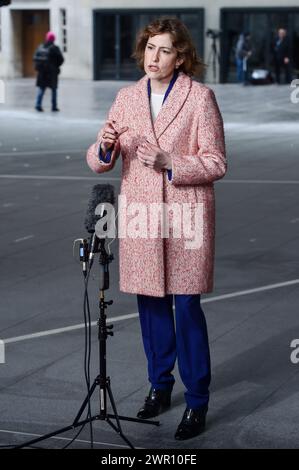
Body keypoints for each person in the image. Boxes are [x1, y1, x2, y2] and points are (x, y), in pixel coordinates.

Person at [86, 17, 227, 441]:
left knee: (185, 308)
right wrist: (106, 145)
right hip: (142, 218)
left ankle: (198, 400)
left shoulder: (200, 98)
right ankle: (160, 386)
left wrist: (172, 163)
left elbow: (217, 162)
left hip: (186, 218)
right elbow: (98, 159)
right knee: (150, 308)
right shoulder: (126, 98)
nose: (154, 57)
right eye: (150, 48)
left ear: (180, 56)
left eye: (164, 50)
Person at [33, 31, 64, 112]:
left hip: (42, 73)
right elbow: (61, 59)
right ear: (53, 39)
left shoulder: (40, 47)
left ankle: (38, 105)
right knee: (54, 90)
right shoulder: (55, 48)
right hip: (52, 72)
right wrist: (56, 65)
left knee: (41, 89)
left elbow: (35, 58)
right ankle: (54, 106)